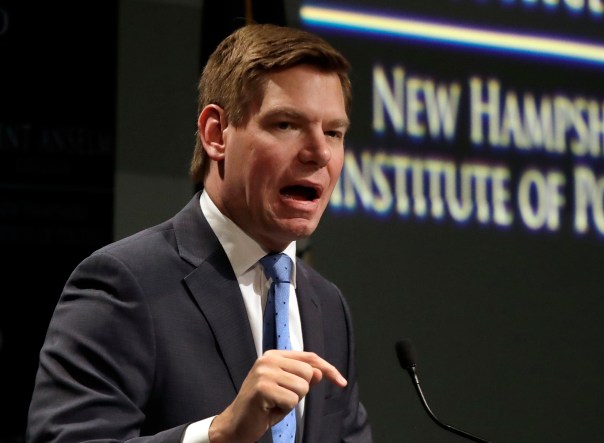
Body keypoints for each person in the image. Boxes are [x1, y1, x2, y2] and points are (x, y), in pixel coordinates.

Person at [26, 23, 372, 443]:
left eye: (333, 133)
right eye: (285, 124)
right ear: (215, 134)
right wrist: (218, 434)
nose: (319, 152)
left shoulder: (327, 305)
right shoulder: (125, 284)